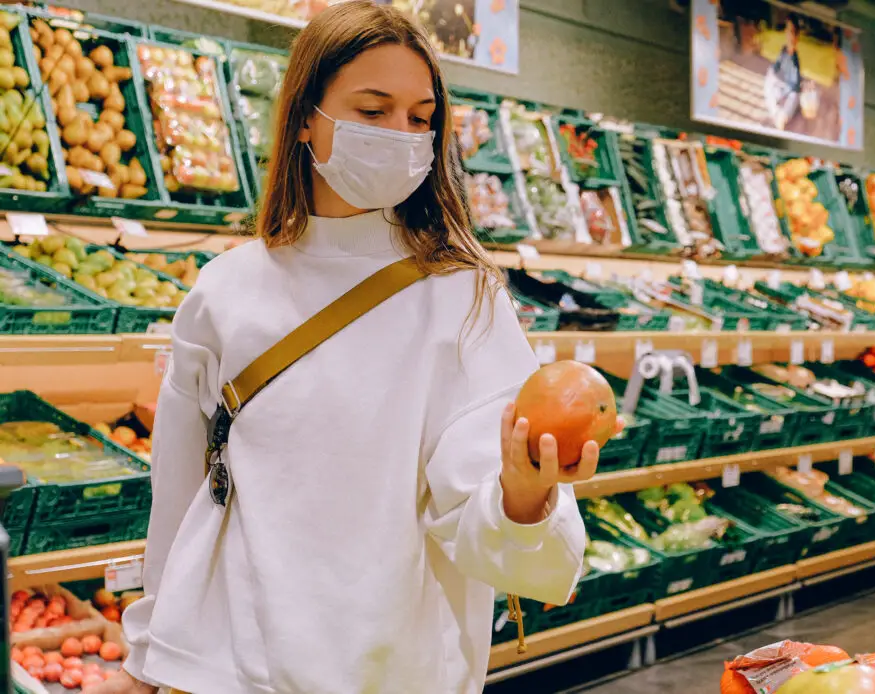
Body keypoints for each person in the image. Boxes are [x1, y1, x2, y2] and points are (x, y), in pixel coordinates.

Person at [94, 3, 608, 692]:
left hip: (393, 670)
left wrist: (521, 498)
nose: (403, 135)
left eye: (421, 117)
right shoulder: (225, 293)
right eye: (373, 110)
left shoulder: (462, 299)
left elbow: (499, 533)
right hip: (237, 668)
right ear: (306, 116)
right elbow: (182, 495)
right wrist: (149, 655)